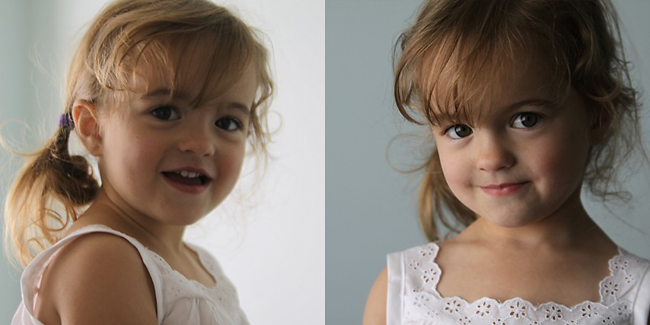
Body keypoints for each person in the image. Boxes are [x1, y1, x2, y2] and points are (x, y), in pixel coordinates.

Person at [363, 0, 650, 324]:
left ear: (597, 115)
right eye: (460, 129)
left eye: (526, 120)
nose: (491, 158)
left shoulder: (638, 298)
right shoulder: (402, 291)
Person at [5, 0, 273, 323]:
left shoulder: (199, 264)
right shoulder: (104, 260)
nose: (201, 144)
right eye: (165, 112)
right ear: (92, 128)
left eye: (228, 122)